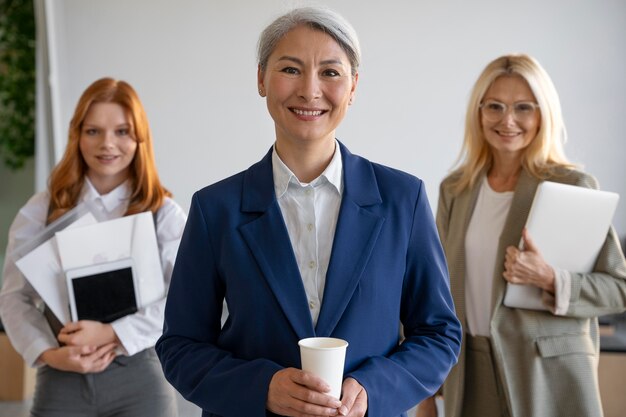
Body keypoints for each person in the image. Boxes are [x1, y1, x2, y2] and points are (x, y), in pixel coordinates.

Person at [156, 6, 461, 417]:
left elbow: (439, 333)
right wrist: (261, 388)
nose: (310, 91)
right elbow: (180, 346)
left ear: (354, 86)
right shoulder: (216, 209)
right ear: (261, 78)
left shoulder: (402, 199)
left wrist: (373, 390)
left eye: (331, 73)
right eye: (291, 69)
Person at [417, 54, 626, 417]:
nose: (507, 120)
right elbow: (435, 290)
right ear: (479, 112)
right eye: (494, 106)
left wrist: (551, 279)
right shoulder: (456, 189)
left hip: (546, 376)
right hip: (469, 370)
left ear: (543, 113)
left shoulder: (573, 186)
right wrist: (425, 390)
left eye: (523, 108)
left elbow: (618, 288)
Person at [0, 78, 187, 417]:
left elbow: (182, 301)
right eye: (93, 131)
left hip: (140, 378)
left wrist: (111, 332)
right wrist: (46, 353)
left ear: (139, 138)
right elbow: (14, 297)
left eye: (122, 132)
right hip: (61, 374)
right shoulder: (42, 209)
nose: (107, 144)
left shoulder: (164, 214)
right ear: (77, 135)